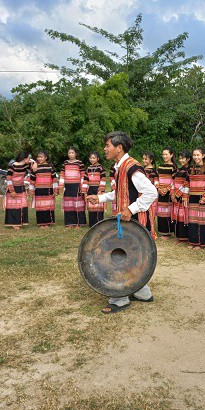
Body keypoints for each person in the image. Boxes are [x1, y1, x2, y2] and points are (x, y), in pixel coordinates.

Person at [86, 131, 158, 314]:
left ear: (119, 148)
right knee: (134, 258)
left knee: (123, 259)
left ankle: (119, 299)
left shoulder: (131, 167)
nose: (104, 148)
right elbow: (119, 194)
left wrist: (131, 209)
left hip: (134, 222)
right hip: (127, 222)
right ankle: (142, 292)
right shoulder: (120, 167)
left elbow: (151, 192)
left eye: (108, 145)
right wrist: (100, 198)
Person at [183, 147, 205, 250]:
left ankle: (202, 243)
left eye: (198, 155)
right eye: (194, 155)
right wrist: (185, 195)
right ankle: (193, 242)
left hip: (202, 198)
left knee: (202, 220)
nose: (196, 157)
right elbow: (187, 183)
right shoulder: (190, 168)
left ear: (203, 155)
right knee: (192, 219)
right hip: (192, 197)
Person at [59, 147, 87, 228]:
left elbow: (83, 175)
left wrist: (82, 186)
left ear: (76, 154)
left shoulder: (79, 163)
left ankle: (79, 223)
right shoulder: (65, 163)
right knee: (68, 204)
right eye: (69, 153)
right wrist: (61, 185)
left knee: (77, 204)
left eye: (72, 153)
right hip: (68, 186)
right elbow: (62, 174)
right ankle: (70, 223)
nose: (71, 155)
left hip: (77, 186)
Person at [30, 150, 58, 228]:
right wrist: (31, 190)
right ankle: (41, 223)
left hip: (48, 190)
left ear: (46, 157)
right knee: (40, 207)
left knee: (48, 206)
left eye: (41, 157)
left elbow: (54, 178)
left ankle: (48, 223)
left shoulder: (50, 166)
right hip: (39, 190)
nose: (40, 159)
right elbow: (32, 179)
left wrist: (55, 189)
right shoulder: (35, 167)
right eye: (38, 157)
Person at [5, 151, 32, 229]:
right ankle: (14, 223)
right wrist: (12, 190)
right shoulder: (12, 166)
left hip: (21, 187)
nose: (29, 160)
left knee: (23, 205)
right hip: (13, 187)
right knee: (14, 206)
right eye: (28, 158)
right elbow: (9, 179)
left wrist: (35, 163)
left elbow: (33, 164)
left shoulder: (25, 165)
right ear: (25, 158)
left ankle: (20, 221)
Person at [155, 147, 177, 238]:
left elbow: (175, 181)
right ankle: (162, 231)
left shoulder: (174, 167)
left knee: (168, 212)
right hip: (160, 192)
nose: (164, 156)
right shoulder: (160, 166)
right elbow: (156, 178)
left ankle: (168, 232)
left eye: (166, 154)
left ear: (171, 155)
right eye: (163, 154)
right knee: (161, 212)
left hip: (168, 193)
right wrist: (159, 188)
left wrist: (167, 189)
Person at [83, 151, 107, 227]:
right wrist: (84, 191)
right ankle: (92, 225)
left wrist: (101, 190)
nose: (92, 159)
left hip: (98, 190)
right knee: (91, 208)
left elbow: (103, 180)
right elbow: (85, 180)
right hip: (90, 190)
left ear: (98, 159)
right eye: (91, 158)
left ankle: (99, 224)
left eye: (94, 158)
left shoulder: (101, 168)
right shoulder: (88, 169)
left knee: (98, 208)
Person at [172, 150, 191, 244]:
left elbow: (187, 183)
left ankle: (185, 237)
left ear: (188, 159)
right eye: (179, 158)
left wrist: (177, 194)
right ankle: (178, 236)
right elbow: (173, 181)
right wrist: (172, 193)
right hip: (176, 195)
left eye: (183, 158)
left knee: (184, 216)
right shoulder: (179, 169)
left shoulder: (190, 170)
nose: (181, 160)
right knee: (178, 216)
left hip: (184, 195)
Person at [142, 151, 158, 219]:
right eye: (143, 159)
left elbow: (156, 184)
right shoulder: (142, 169)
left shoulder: (153, 171)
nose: (144, 160)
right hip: (142, 194)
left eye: (146, 159)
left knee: (150, 214)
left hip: (150, 195)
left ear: (151, 160)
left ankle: (151, 229)